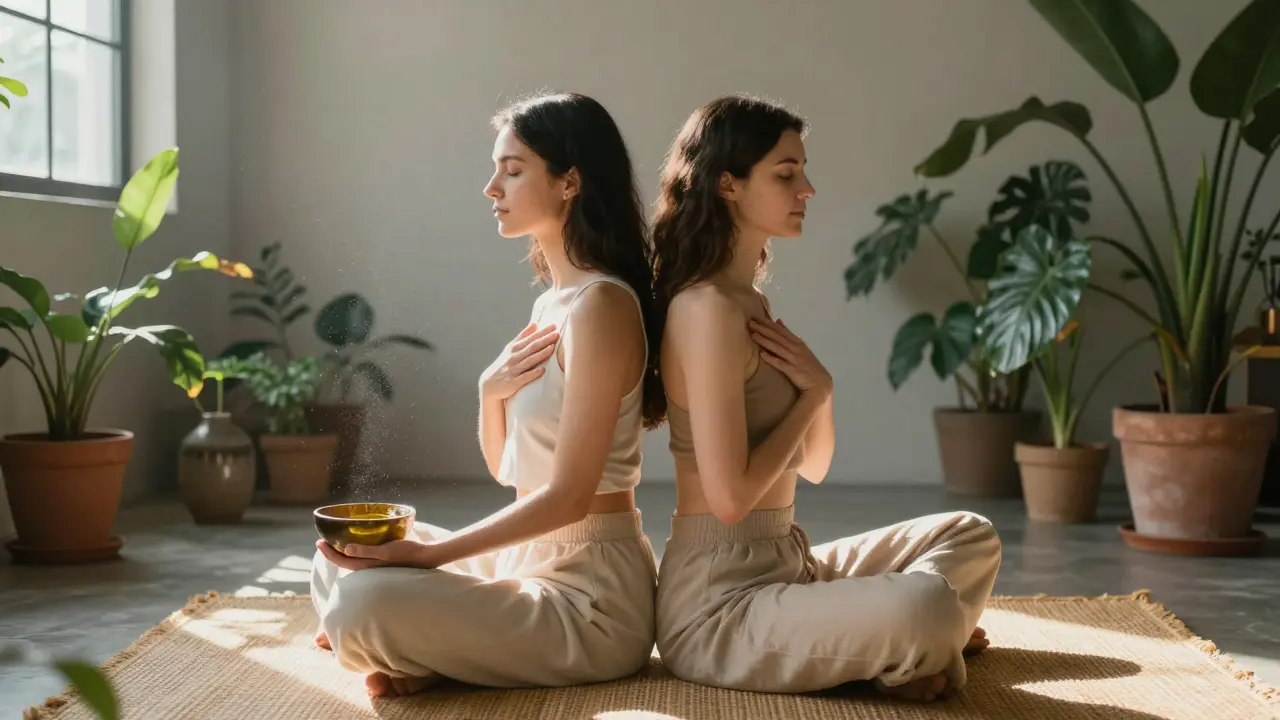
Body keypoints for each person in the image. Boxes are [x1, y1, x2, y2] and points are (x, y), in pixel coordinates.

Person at [309, 92, 664, 699]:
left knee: (361, 602)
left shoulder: (602, 305)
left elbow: (571, 498)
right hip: (522, 565)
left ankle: (406, 646)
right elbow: (509, 473)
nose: (491, 187)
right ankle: (421, 650)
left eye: (512, 169)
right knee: (336, 558)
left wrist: (433, 558)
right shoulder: (550, 304)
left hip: (589, 599)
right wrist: (489, 392)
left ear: (570, 181)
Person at [649, 94, 1002, 703]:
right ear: (727, 185)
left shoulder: (748, 302)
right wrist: (811, 395)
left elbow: (813, 465)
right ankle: (907, 641)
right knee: (925, 604)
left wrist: (823, 392)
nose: (806, 188)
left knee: (970, 534)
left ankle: (894, 643)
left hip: (791, 563)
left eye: (802, 171)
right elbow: (731, 501)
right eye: (786, 173)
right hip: (718, 606)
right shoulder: (704, 310)